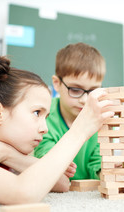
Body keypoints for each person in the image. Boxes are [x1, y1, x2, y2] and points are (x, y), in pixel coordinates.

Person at [0, 55, 114, 204]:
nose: (45, 129)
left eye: (46, 117)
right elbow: (21, 193)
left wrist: (8, 154)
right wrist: (79, 131)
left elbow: (62, 183)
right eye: (37, 113)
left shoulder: (7, 143)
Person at [34, 43, 106, 186]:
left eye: (92, 91)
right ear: (56, 83)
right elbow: (44, 158)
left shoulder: (101, 119)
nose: (85, 100)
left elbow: (97, 163)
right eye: (75, 89)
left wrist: (107, 172)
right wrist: (57, 165)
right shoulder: (43, 117)